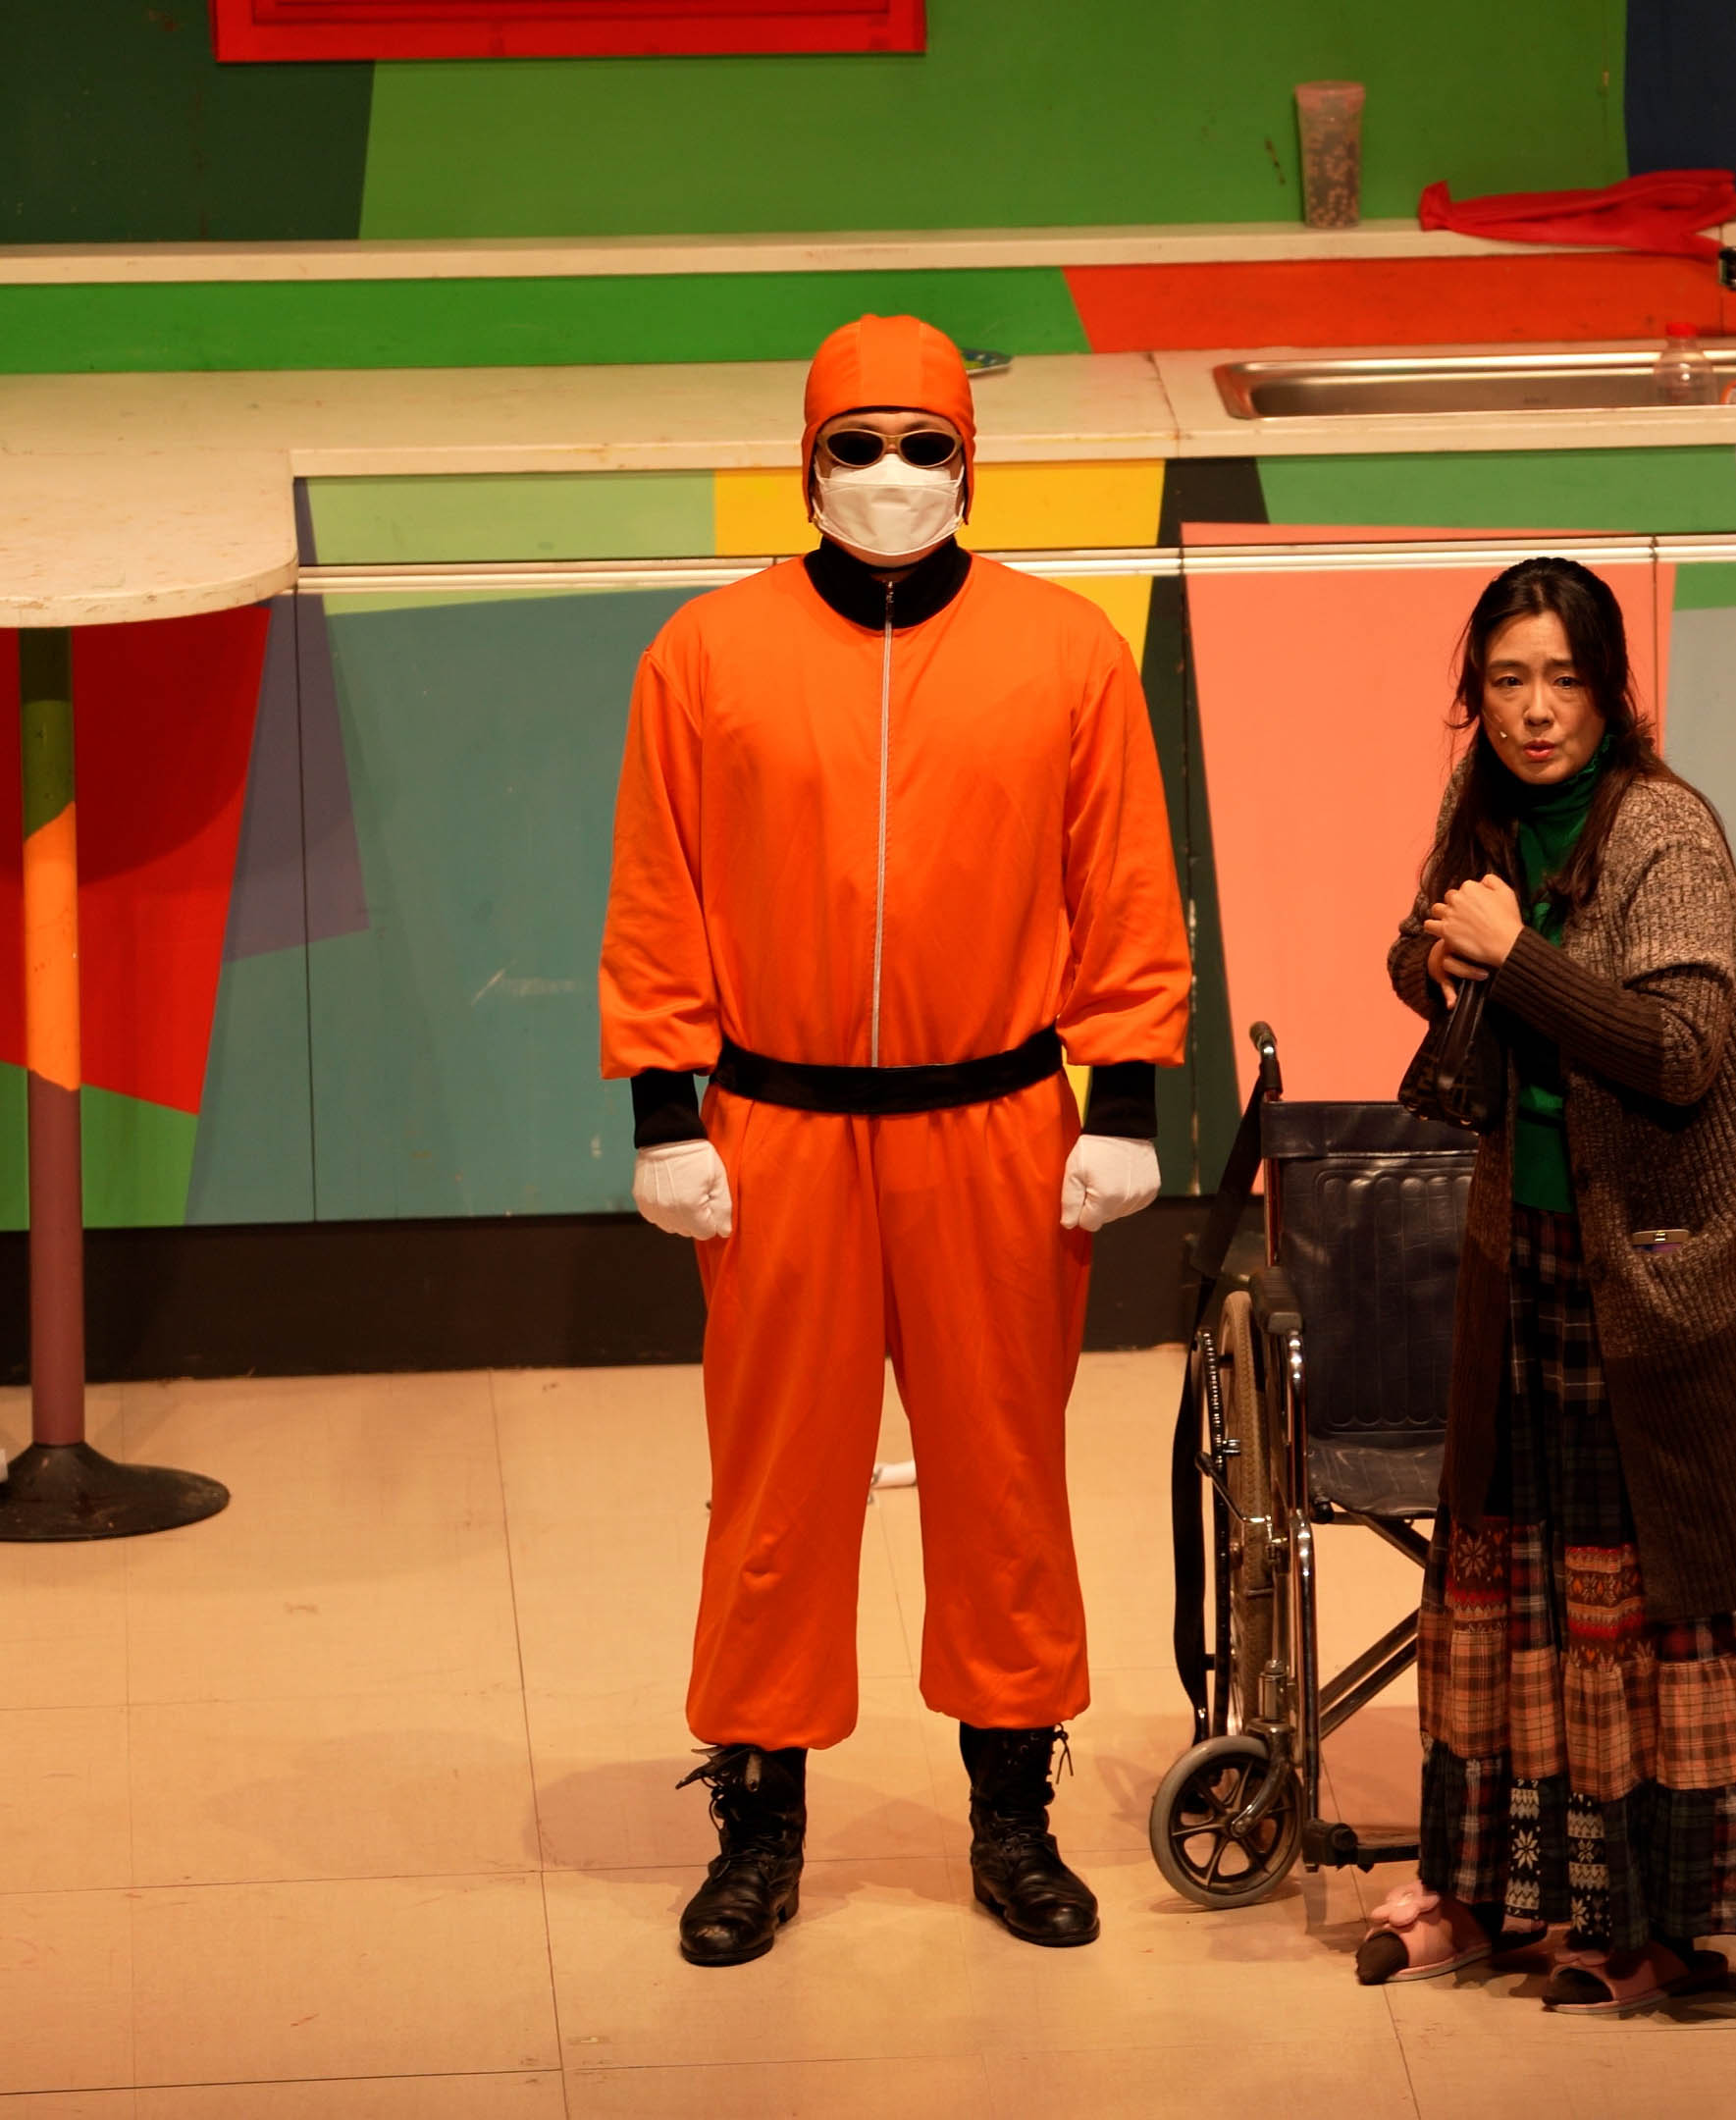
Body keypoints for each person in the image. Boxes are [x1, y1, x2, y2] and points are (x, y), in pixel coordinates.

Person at [600, 313, 1190, 1967]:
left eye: (923, 445)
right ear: (805, 463)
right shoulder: (704, 657)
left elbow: (1126, 883)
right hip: (777, 1130)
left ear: (969, 466)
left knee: (1004, 1482)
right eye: (854, 445)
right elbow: (657, 892)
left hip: (995, 1123)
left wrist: (1125, 1094)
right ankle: (758, 1820)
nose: (890, 475)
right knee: (775, 1490)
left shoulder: (1066, 654)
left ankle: (1012, 1815)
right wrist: (662, 1107)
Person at [1360, 556, 1736, 2017]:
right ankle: (1503, 1885)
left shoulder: (1663, 829)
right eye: (1507, 681)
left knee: (1649, 1603)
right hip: (1520, 1256)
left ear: (1610, 690)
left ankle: (1656, 1918)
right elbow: (1428, 954)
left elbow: (1682, 1054)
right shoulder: (1483, 810)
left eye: (1564, 679)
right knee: (1516, 1588)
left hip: (1655, 1280)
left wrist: (1514, 958)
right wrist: (1434, 962)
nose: (1535, 712)